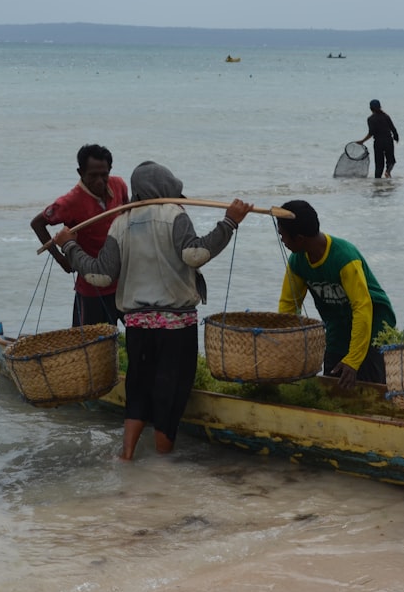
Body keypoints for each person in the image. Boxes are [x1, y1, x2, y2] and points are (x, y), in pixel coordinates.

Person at [52, 161, 254, 460]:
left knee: (139, 387)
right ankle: (162, 466)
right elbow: (194, 254)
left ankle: (127, 454)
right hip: (175, 327)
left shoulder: (120, 221)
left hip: (137, 326)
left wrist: (70, 246)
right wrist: (229, 223)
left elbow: (101, 276)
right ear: (166, 187)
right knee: (169, 393)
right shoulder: (174, 214)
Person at [277, 200, 396, 389]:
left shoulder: (344, 258)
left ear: (299, 238)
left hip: (373, 321)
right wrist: (288, 349)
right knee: (332, 381)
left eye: (282, 235)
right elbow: (288, 307)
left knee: (369, 384)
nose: (282, 240)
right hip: (337, 323)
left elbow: (362, 308)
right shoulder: (297, 261)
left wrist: (354, 360)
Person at [32, 144, 129, 327]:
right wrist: (63, 260)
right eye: (93, 176)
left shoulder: (119, 186)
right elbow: (37, 224)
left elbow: (128, 218)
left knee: (137, 338)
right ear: (80, 172)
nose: (100, 181)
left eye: (104, 174)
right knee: (89, 348)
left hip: (123, 283)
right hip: (91, 288)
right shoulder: (69, 202)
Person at [357, 99, 399, 179]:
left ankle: (377, 183)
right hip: (388, 141)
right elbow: (393, 129)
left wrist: (362, 141)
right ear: (380, 107)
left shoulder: (370, 119)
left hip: (378, 142)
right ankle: (387, 172)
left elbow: (371, 133)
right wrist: (396, 137)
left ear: (370, 108)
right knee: (391, 161)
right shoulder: (386, 116)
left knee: (379, 164)